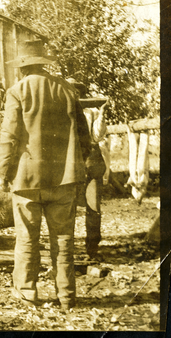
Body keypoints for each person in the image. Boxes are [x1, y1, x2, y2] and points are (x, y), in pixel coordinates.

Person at [0, 40, 91, 310]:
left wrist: (3, 172)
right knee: (63, 239)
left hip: (27, 179)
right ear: (43, 63)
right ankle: (67, 296)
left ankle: (27, 293)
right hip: (64, 178)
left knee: (27, 237)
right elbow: (84, 135)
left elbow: (10, 137)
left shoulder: (17, 91)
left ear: (22, 68)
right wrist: (78, 164)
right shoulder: (68, 90)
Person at [67, 79, 109, 259]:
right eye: (70, 91)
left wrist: (101, 114)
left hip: (90, 161)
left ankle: (92, 247)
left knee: (93, 207)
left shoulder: (90, 111)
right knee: (66, 207)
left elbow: (98, 136)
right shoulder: (61, 110)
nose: (74, 94)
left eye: (76, 91)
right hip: (69, 161)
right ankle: (66, 249)